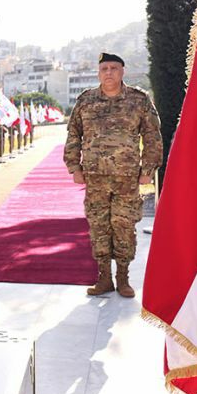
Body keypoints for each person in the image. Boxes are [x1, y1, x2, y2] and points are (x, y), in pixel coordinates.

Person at [64, 52, 163, 298]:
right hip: (95, 177)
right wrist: (74, 167)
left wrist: (148, 170)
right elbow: (73, 134)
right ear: (99, 73)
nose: (109, 72)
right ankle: (104, 278)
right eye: (104, 68)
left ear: (122, 71)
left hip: (127, 177)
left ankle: (123, 278)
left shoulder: (139, 100)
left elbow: (152, 135)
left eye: (114, 68)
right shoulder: (86, 101)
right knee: (98, 226)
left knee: (124, 225)